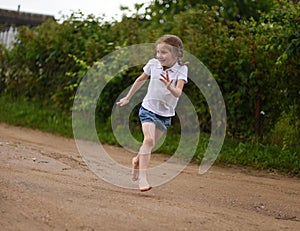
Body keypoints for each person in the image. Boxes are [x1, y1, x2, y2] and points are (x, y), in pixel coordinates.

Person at [116, 34, 188, 192]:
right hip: (148, 108)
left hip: (166, 114)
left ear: (175, 54)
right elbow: (140, 79)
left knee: (149, 145)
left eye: (164, 52)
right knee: (148, 140)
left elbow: (177, 93)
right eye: (158, 52)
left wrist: (170, 86)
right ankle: (143, 178)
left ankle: (136, 160)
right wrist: (128, 97)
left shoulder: (181, 69)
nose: (159, 56)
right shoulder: (153, 64)